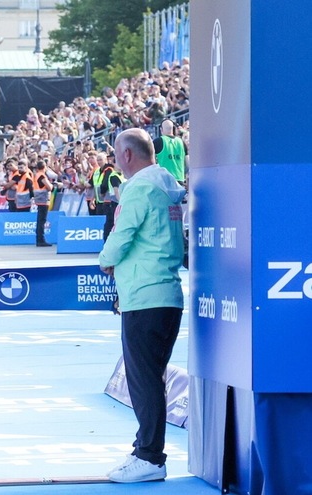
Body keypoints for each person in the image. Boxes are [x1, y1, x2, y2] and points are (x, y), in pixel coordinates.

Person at [98, 128, 185, 484]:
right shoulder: (167, 183)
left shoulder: (138, 187)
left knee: (145, 380)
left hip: (145, 295)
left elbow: (124, 233)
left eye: (117, 155)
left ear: (128, 155)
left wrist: (105, 258)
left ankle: (150, 457)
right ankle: (144, 449)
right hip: (164, 293)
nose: (116, 161)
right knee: (150, 377)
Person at [153, 119, 186, 184]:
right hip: (180, 180)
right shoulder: (181, 142)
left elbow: (151, 162)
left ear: (161, 129)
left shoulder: (158, 141)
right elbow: (187, 164)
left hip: (165, 180)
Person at [32, 161, 52, 247]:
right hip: (43, 199)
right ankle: (41, 240)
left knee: (40, 220)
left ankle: (39, 239)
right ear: (45, 167)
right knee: (42, 221)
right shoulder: (42, 175)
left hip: (39, 199)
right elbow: (49, 187)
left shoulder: (36, 175)